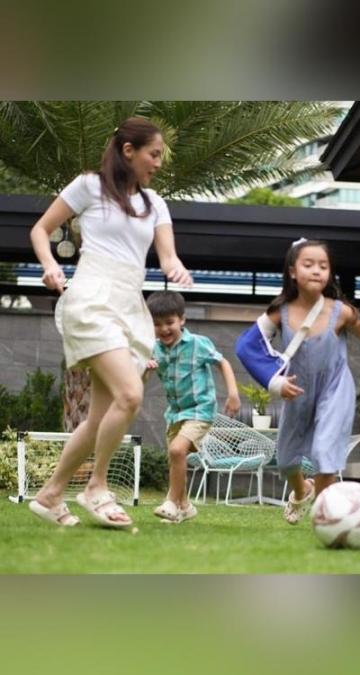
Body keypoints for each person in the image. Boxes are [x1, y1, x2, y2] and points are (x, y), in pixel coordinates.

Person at [29, 116, 193, 528]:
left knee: (100, 419)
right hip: (91, 297)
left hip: (129, 306)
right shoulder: (89, 185)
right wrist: (49, 265)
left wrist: (175, 268)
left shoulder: (156, 204)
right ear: (128, 151)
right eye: (154, 154)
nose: (159, 163)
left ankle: (49, 495)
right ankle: (96, 486)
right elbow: (41, 229)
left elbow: (167, 255)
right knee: (130, 394)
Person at [260, 239, 360, 525]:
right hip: (297, 390)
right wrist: (273, 378)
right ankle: (301, 491)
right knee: (286, 460)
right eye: (308, 264)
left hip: (334, 390)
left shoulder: (341, 311)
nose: (317, 270)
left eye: (323, 266)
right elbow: (255, 346)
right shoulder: (279, 311)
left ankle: (325, 518)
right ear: (292, 271)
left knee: (325, 453)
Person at [144, 290, 240, 523]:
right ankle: (184, 506)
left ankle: (170, 501)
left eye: (169, 322)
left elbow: (223, 363)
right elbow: (141, 381)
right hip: (175, 414)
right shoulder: (154, 349)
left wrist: (233, 393)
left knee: (177, 450)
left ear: (182, 320)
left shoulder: (198, 343)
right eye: (157, 324)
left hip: (200, 410)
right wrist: (145, 370)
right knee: (175, 459)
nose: (164, 329)